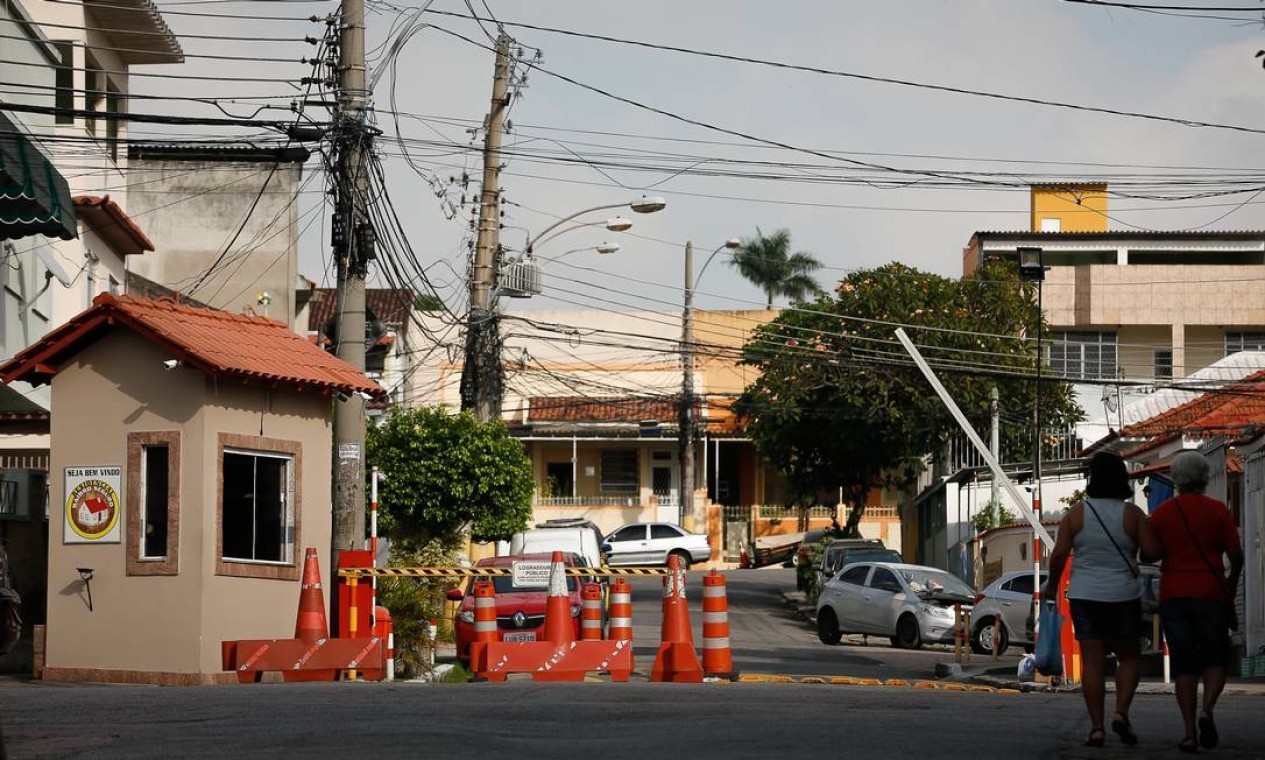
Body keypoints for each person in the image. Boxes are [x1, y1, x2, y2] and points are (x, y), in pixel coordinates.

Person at [1043, 451, 1161, 748]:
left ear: (1092, 479)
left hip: (1085, 595)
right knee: (1129, 657)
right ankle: (1121, 712)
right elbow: (1150, 552)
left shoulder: (1076, 514)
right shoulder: (1133, 514)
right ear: (1122, 479)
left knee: (1092, 662)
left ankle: (1096, 728)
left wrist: (1051, 586)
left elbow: (1058, 555)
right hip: (1124, 595)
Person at [1149, 451, 1243, 754]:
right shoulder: (1218, 511)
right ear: (1205, 477)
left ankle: (1189, 733)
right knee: (1216, 658)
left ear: (1176, 478)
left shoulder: (1163, 513)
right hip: (1211, 594)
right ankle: (1207, 710)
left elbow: (1146, 555)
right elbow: (1237, 557)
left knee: (1184, 665)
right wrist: (1229, 586)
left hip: (1174, 595)